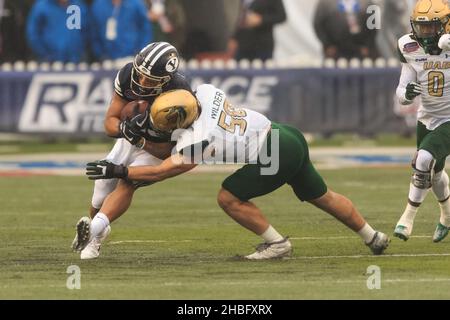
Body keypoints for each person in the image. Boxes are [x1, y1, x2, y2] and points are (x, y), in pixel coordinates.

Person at [78, 84, 390, 260]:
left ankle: (277, 244)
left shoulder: (196, 140)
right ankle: (372, 236)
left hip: (273, 153)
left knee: (229, 197)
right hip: (285, 134)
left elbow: (160, 171)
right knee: (323, 196)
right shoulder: (205, 92)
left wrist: (119, 169)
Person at [71, 42, 192, 259]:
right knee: (102, 182)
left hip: (159, 147)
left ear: (165, 81)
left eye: (150, 79)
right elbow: (109, 121)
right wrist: (124, 129)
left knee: (128, 180)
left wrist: (142, 142)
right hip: (132, 138)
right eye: (140, 73)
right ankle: (98, 228)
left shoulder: (179, 95)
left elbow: (169, 151)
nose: (142, 81)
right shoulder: (128, 73)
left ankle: (94, 236)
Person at [393, 0, 450, 243]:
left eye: (431, 27)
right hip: (427, 117)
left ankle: (407, 218)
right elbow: (402, 89)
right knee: (434, 173)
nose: (425, 32)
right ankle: (447, 216)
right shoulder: (409, 46)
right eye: (421, 27)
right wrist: (406, 95)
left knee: (423, 159)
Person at [313, 0, 380, 60]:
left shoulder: (367, 3)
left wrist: (367, 45)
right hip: (335, 52)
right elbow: (318, 24)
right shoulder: (325, 3)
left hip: (361, 52)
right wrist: (328, 44)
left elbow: (374, 26)